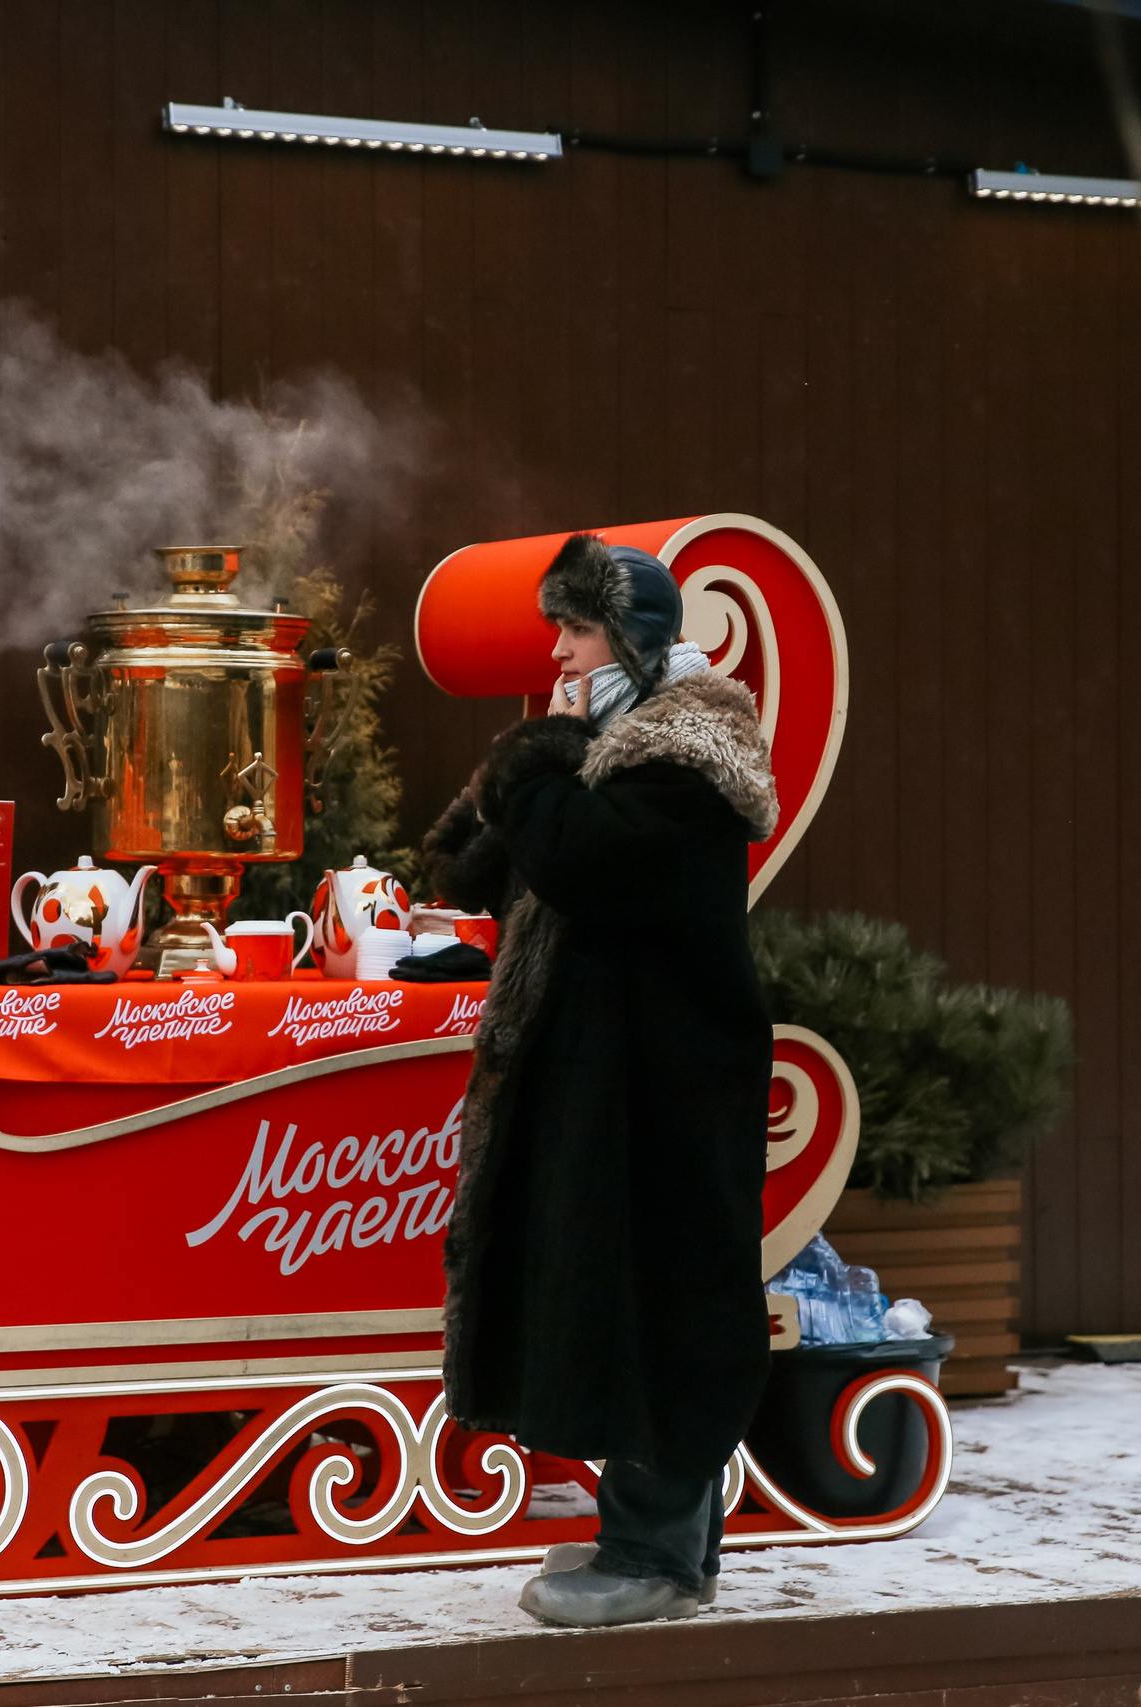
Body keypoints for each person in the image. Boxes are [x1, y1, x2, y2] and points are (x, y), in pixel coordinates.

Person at [422, 532, 778, 1627]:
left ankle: (658, 1557)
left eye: (574, 629)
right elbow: (489, 863)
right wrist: (512, 787)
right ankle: (661, 1543)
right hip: (624, 1072)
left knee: (666, 1298)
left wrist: (533, 762)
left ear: (630, 635)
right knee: (630, 1291)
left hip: (669, 1079)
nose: (561, 652)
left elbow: (586, 861)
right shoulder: (615, 743)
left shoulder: (687, 756)